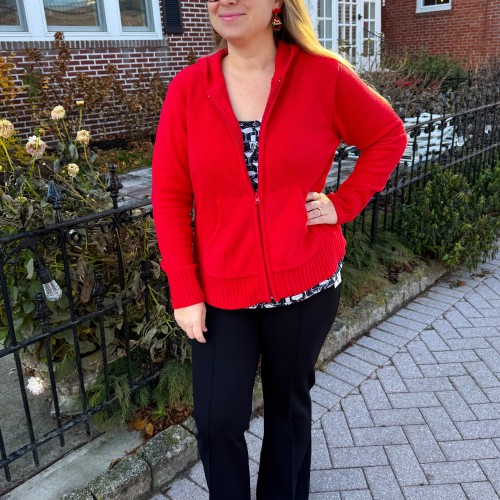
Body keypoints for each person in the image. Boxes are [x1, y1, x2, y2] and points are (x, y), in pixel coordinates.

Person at [151, 0, 407, 498]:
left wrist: (342, 204)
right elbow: (169, 195)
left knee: (288, 413)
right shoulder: (188, 89)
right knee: (217, 421)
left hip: (306, 284)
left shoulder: (322, 76)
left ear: (275, 5)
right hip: (222, 292)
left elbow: (387, 136)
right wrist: (184, 289)